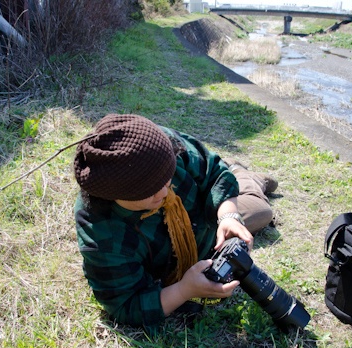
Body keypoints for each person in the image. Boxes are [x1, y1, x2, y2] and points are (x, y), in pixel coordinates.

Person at [74, 114, 278, 327]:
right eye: (149, 191)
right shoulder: (100, 231)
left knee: (261, 211)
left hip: (208, 217)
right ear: (115, 195)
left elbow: (214, 173)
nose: (164, 192)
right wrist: (183, 290)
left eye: (167, 177)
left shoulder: (159, 147)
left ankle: (246, 176)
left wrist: (229, 216)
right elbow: (125, 305)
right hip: (187, 240)